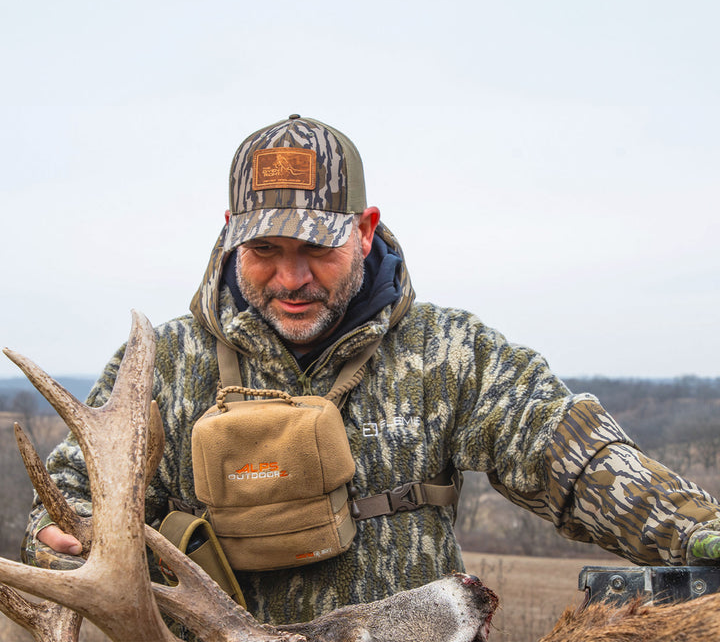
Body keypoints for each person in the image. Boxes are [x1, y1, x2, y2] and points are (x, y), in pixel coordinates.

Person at [23, 115, 720, 625]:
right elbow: (67, 500)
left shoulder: (450, 352)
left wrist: (693, 529)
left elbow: (565, 451)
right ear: (231, 228)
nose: (291, 278)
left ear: (364, 227)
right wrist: (68, 539)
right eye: (264, 250)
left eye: (317, 249)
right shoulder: (162, 367)